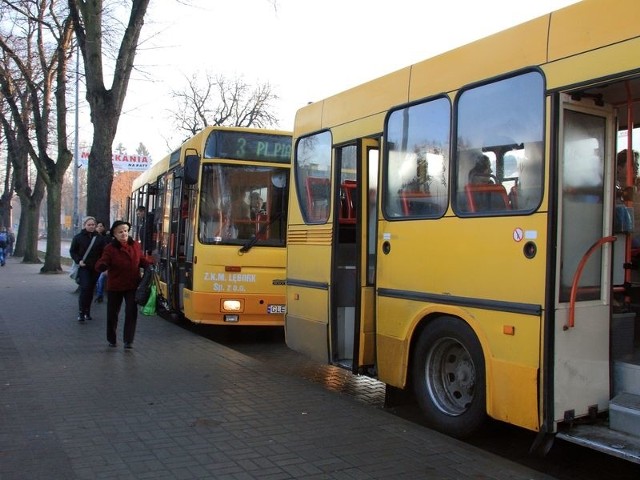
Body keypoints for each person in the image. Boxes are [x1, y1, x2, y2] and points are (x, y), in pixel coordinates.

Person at [95, 220, 153, 349]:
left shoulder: (135, 246)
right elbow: (102, 261)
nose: (124, 234)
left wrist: (149, 264)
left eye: (125, 231)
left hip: (132, 285)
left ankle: (128, 340)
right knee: (112, 313)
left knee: (131, 312)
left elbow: (141, 260)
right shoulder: (110, 248)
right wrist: (102, 265)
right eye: (120, 232)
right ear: (115, 235)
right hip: (115, 285)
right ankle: (111, 338)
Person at [69, 216, 106, 321]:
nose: (91, 227)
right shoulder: (78, 237)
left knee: (90, 290)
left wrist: (102, 264)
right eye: (89, 225)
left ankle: (87, 311)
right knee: (85, 288)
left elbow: (104, 252)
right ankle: (81, 312)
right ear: (84, 225)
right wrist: (78, 260)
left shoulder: (99, 239)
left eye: (93, 225)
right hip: (84, 267)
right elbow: (73, 251)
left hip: (95, 268)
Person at [94, 221, 109, 303]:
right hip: (96, 262)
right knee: (99, 279)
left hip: (104, 262)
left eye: (101, 226)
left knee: (101, 278)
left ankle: (100, 295)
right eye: (98, 226)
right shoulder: (94, 237)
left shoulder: (107, 237)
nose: (99, 228)